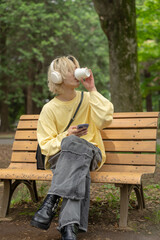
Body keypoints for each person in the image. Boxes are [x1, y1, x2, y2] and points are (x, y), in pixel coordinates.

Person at [31, 55, 114, 240]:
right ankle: (69, 228)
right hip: (62, 158)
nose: (76, 71)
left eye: (76, 67)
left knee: (75, 149)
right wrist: (66, 136)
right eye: (70, 69)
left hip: (92, 153)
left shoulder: (88, 98)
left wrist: (92, 89)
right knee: (74, 156)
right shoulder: (49, 109)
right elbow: (46, 145)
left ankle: (51, 199)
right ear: (57, 77)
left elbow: (105, 120)